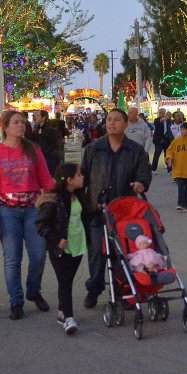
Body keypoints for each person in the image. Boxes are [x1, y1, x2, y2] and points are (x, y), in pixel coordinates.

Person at [0, 111, 55, 320]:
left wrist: (61, 192)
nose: (21, 125)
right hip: (7, 212)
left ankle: (33, 291)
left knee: (38, 255)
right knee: (12, 259)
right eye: (16, 122)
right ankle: (16, 300)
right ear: (5, 127)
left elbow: (46, 179)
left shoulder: (33, 150)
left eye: (23, 122)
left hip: (33, 209)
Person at [80, 108, 152, 309]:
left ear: (125, 125)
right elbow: (82, 176)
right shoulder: (94, 149)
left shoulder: (135, 150)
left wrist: (141, 183)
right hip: (96, 210)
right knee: (97, 254)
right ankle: (94, 290)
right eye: (109, 120)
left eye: (117, 120)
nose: (112, 123)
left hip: (124, 211)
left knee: (124, 253)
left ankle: (123, 291)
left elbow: (144, 173)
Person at [36, 162, 88, 335]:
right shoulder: (53, 199)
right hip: (60, 248)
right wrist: (56, 239)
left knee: (67, 281)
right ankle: (68, 318)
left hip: (77, 244)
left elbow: (86, 214)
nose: (83, 178)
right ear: (69, 180)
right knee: (65, 281)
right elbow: (42, 224)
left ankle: (61, 311)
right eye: (79, 175)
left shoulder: (79, 194)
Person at [33, 110, 66, 176]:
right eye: (35, 115)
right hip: (39, 157)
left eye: (38, 115)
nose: (35, 117)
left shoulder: (49, 130)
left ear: (43, 118)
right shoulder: (36, 128)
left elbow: (53, 144)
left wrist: (46, 152)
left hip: (48, 158)